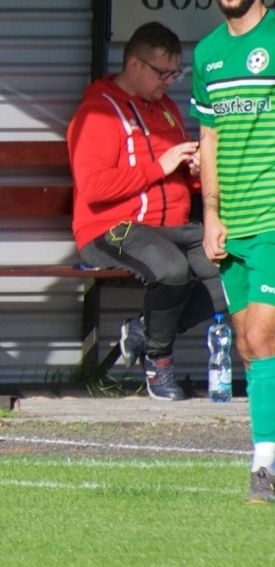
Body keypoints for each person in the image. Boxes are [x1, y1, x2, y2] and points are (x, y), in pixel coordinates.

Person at [67, 21, 220, 400]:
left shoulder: (165, 109)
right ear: (134, 65)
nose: (169, 82)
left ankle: (144, 330)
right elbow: (92, 188)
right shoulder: (97, 113)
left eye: (174, 73)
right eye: (161, 73)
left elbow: (177, 176)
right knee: (172, 269)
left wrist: (195, 173)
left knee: (236, 272)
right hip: (111, 229)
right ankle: (159, 360)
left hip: (173, 228)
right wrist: (159, 167)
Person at [192, 0, 275, 503]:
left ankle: (264, 467)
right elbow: (209, 141)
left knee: (266, 335)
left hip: (273, 220)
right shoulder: (206, 55)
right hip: (233, 223)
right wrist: (210, 215)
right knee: (247, 344)